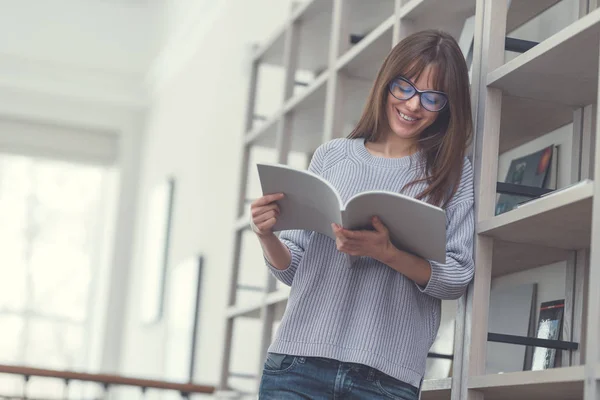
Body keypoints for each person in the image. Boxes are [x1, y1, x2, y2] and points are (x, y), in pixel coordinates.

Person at [250, 29, 475, 400]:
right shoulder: (332, 156)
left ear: (447, 107)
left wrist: (389, 254)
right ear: (387, 83)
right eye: (405, 87)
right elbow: (292, 269)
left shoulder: (454, 173)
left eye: (432, 97)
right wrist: (266, 235)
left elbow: (456, 278)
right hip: (298, 364)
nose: (414, 105)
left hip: (386, 379)